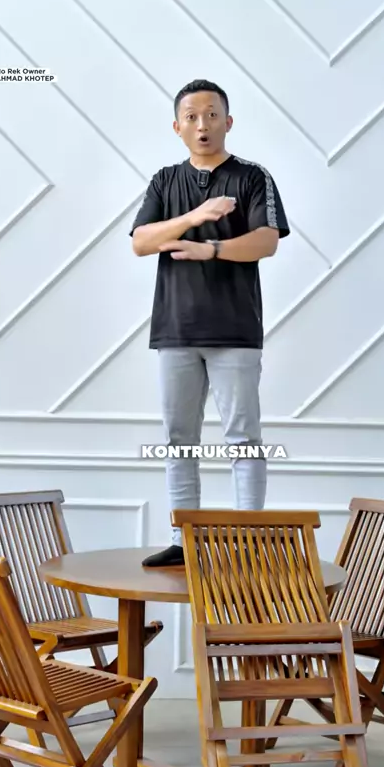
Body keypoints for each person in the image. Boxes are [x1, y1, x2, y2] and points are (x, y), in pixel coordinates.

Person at [130, 79, 290, 568]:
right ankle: (184, 541)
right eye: (192, 116)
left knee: (243, 438)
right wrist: (197, 215)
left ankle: (251, 538)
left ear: (228, 122)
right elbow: (141, 242)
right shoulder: (164, 181)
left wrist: (212, 248)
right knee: (178, 439)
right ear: (177, 127)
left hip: (235, 330)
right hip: (175, 330)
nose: (203, 124)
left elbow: (267, 241)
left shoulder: (252, 176)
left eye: (212, 114)